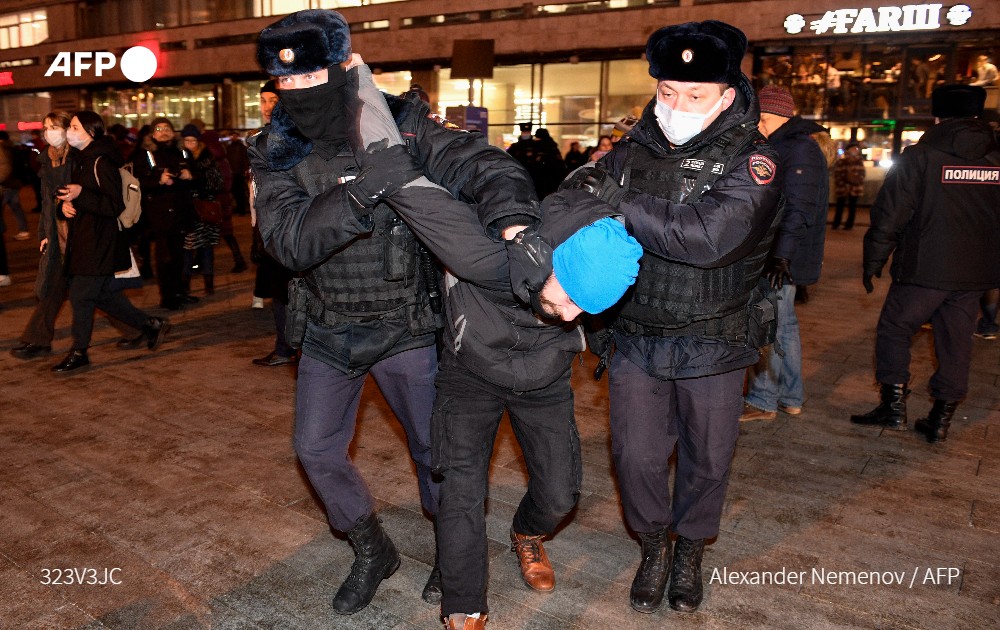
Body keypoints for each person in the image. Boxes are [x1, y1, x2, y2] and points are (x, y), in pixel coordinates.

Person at [249, 9, 531, 616]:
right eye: (285, 83)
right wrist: (359, 190)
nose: (297, 92)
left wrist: (512, 215)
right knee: (316, 451)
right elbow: (290, 241)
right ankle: (371, 547)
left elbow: (482, 164)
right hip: (327, 328)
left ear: (343, 66)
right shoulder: (275, 150)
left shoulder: (400, 124)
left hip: (406, 325)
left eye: (309, 76)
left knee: (437, 453)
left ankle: (451, 550)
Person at [344, 60, 641, 630]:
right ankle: (464, 605)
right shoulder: (483, 250)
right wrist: (357, 83)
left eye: (587, 311)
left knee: (560, 494)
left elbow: (614, 180)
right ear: (548, 262)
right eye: (568, 298)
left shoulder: (603, 240)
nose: (573, 316)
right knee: (459, 489)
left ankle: (528, 533)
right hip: (470, 370)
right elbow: (403, 180)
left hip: (545, 380)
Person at [576, 20, 782, 615]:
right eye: (668, 92)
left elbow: (706, 238)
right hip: (638, 331)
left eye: (695, 96)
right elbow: (573, 201)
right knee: (635, 455)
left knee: (708, 454)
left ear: (726, 93)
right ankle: (653, 543)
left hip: (715, 334)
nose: (679, 106)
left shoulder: (756, 160)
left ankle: (690, 547)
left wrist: (614, 201)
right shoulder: (630, 149)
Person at [851, 85, 1000, 443]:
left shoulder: (921, 156)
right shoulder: (996, 158)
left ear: (937, 116)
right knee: (957, 339)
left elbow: (890, 214)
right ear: (978, 116)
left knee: (895, 329)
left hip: (924, 269)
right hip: (975, 273)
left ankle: (894, 406)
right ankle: (940, 417)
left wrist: (874, 261)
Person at [50, 111, 170, 374]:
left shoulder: (101, 162)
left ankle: (80, 351)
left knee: (81, 296)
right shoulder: (80, 159)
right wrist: (64, 207)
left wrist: (80, 195)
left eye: (74, 127)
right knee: (102, 296)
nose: (69, 131)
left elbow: (112, 205)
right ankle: (150, 324)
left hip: (99, 240)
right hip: (83, 238)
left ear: (91, 132)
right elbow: (75, 198)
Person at [741, 86, 830, 421]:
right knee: (782, 325)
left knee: (769, 324)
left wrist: (781, 257)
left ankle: (764, 399)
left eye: (759, 118)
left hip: (778, 257)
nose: (756, 126)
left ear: (769, 116)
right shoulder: (786, 145)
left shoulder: (797, 149)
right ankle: (789, 397)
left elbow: (797, 209)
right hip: (780, 254)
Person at [10, 112, 74, 360]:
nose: (49, 132)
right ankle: (38, 340)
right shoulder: (49, 158)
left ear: (68, 129)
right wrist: (43, 234)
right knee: (52, 289)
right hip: (57, 235)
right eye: (46, 127)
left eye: (55, 127)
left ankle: (142, 327)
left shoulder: (75, 157)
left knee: (97, 293)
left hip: (78, 236)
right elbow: (47, 203)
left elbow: (67, 194)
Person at [248, 80, 298, 367]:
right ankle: (285, 346)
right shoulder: (261, 137)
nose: (268, 107)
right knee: (280, 292)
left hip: (288, 226)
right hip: (267, 226)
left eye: (274, 100)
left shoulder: (293, 138)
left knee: (291, 291)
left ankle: (290, 347)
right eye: (264, 100)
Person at [131, 117, 197, 309]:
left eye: (167, 128)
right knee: (164, 256)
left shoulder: (183, 151)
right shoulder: (146, 154)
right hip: (158, 213)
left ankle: (180, 291)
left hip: (181, 210)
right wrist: (158, 181)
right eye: (159, 128)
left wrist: (190, 175)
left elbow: (201, 176)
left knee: (181, 255)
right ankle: (167, 296)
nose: (163, 131)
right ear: (152, 133)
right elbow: (136, 182)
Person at [179, 124, 223, 297]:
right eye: (187, 140)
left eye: (193, 140)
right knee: (187, 249)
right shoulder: (179, 157)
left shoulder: (207, 157)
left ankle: (209, 285)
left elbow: (218, 182)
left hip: (205, 209)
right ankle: (185, 286)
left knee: (206, 248)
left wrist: (197, 179)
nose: (190, 143)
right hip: (187, 209)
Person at [831, 143, 865, 230]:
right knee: (840, 206)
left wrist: (853, 181)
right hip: (843, 188)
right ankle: (836, 223)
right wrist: (843, 183)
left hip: (854, 189)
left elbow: (861, 175)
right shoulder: (842, 162)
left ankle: (849, 225)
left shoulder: (858, 162)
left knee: (852, 207)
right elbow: (837, 175)